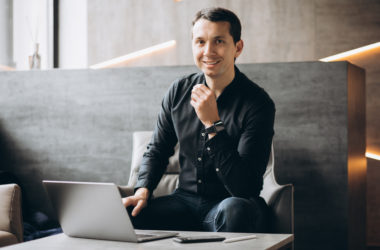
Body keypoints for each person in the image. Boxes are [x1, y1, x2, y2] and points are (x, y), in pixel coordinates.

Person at [122, 7, 275, 233]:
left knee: (235, 209)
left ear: (238, 48)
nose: (208, 51)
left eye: (219, 41)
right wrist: (142, 189)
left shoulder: (258, 103)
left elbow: (246, 188)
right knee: (127, 213)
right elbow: (157, 149)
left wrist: (213, 124)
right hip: (183, 203)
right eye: (200, 42)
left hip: (229, 205)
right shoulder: (178, 91)